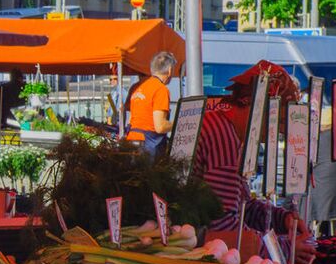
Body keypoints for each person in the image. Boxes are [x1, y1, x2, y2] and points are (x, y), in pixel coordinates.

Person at [194, 61, 297, 241]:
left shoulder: (227, 130)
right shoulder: (222, 135)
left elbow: (243, 207)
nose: (280, 131)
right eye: (278, 120)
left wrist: (282, 219)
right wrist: (282, 249)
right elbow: (223, 226)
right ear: (257, 108)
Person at [126, 51, 177, 154]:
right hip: (148, 146)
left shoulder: (138, 87)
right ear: (170, 70)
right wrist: (178, 123)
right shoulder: (160, 89)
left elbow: (128, 108)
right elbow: (160, 127)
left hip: (131, 141)